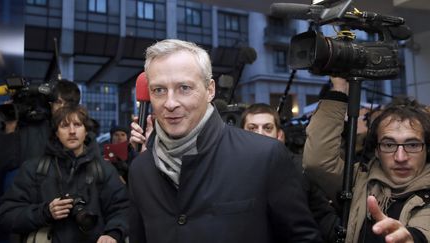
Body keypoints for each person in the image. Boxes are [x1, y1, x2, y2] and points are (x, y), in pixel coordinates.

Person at [127, 39, 322, 243]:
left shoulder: (263, 156)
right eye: (159, 90)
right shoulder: (141, 169)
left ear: (210, 90)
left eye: (184, 88)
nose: (170, 103)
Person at [303, 76, 430, 242]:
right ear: (376, 150)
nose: (400, 157)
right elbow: (318, 162)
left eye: (412, 145)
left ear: (427, 150)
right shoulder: (358, 180)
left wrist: (412, 239)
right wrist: (340, 87)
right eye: (389, 145)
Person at [0, 105, 129, 243]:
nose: (72, 131)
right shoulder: (34, 169)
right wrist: (45, 212)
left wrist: (113, 233)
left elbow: (122, 209)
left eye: (77, 125)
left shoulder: (103, 169)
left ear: (86, 132)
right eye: (65, 126)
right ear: (56, 133)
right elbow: (7, 215)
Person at [241, 103, 340, 242]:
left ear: (280, 136)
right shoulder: (232, 171)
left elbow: (323, 218)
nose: (260, 134)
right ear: (240, 134)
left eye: (267, 128)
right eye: (252, 128)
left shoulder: (301, 168)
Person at [0, 79, 81, 242]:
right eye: (57, 102)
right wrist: (10, 128)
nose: (61, 107)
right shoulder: (31, 126)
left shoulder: (74, 134)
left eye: (65, 103)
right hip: (25, 210)